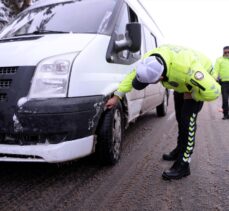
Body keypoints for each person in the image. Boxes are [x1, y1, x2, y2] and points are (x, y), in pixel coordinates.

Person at [106, 44, 221, 180]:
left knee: (187, 122)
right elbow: (132, 76)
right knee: (179, 117)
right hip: (179, 79)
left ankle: (184, 165)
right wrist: (117, 96)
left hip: (195, 79)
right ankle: (180, 149)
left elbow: (214, 92)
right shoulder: (149, 60)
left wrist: (192, 93)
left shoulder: (187, 71)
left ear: (160, 78)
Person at [213, 46, 229, 119]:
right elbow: (216, 71)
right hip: (224, 83)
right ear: (223, 52)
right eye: (225, 52)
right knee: (225, 99)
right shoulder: (219, 60)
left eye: (228, 52)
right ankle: (225, 115)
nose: (227, 54)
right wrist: (214, 78)